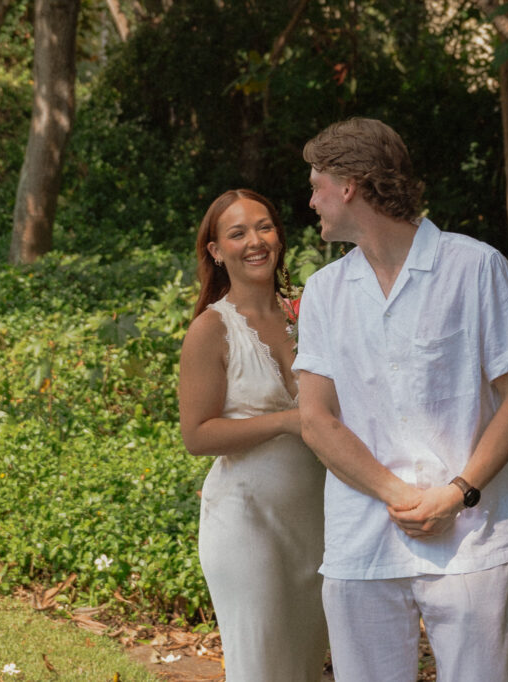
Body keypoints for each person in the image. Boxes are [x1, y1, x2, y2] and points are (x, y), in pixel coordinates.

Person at [293, 118, 508, 682]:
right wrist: (402, 496)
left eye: (316, 185)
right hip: (362, 534)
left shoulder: (475, 267)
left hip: (469, 536)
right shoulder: (326, 292)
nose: (311, 201)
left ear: (350, 184)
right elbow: (315, 419)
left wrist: (456, 494)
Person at [177, 189, 328, 682]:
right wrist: (290, 420)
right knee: (263, 669)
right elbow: (197, 435)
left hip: (318, 523)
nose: (255, 241)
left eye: (264, 227)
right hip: (246, 523)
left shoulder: (308, 314)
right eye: (237, 233)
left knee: (304, 667)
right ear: (216, 251)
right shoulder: (211, 330)